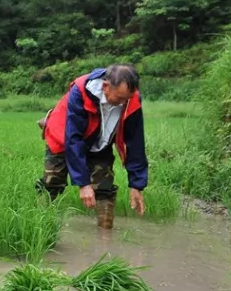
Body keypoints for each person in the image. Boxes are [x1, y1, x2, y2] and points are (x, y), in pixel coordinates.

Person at [36, 64, 148, 229]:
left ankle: (105, 238)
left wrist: (136, 185)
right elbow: (73, 139)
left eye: (127, 99)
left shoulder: (130, 100)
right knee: (52, 182)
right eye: (119, 98)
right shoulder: (80, 91)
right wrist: (83, 183)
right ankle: (39, 225)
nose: (123, 104)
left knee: (104, 189)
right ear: (105, 87)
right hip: (63, 136)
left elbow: (136, 142)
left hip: (100, 142)